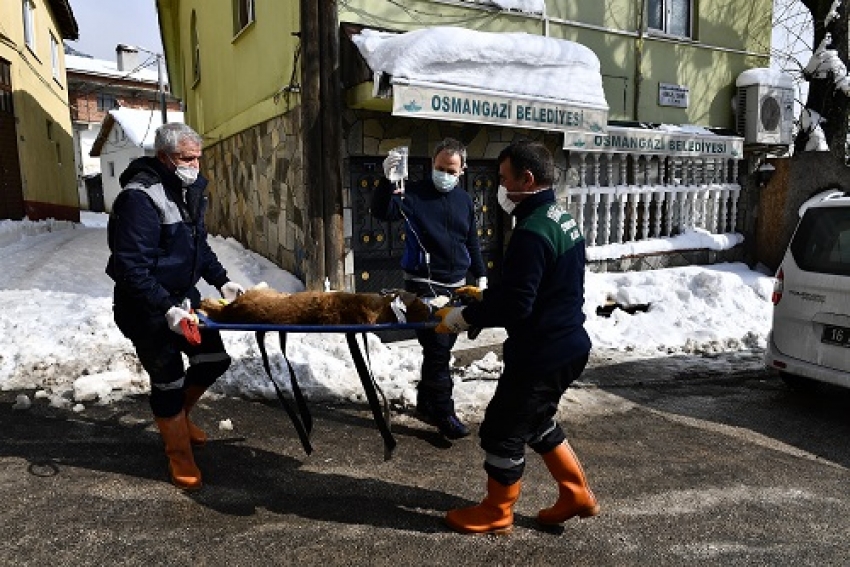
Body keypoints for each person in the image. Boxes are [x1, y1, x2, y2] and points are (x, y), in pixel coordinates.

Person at [433, 140, 598, 534]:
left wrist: (463, 317)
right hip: (567, 343)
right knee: (536, 420)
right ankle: (576, 493)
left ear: (527, 179)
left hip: (541, 352)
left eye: (505, 179)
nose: (501, 188)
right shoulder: (559, 217)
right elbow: (539, 287)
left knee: (502, 431)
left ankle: (497, 511)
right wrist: (488, 296)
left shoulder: (531, 230)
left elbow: (518, 306)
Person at [106, 122, 245, 491]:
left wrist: (222, 280)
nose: (194, 165)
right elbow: (130, 267)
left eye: (198, 158)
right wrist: (165, 308)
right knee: (168, 379)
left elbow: (198, 245)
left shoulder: (189, 190)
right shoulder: (139, 198)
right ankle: (179, 454)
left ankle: (178, 419)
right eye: (186, 158)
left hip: (184, 300)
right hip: (146, 306)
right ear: (164, 157)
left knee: (213, 359)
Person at [371, 138, 487, 439]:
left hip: (456, 285)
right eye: (439, 168)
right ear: (431, 165)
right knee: (437, 349)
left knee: (440, 348)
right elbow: (383, 211)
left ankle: (426, 402)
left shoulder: (464, 200)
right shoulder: (414, 194)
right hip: (423, 285)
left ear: (461, 170)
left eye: (450, 170)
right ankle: (444, 413)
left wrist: (481, 274)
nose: (444, 174)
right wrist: (386, 181)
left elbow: (471, 239)